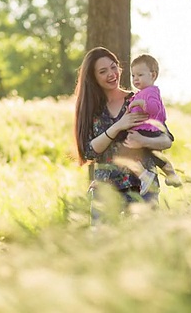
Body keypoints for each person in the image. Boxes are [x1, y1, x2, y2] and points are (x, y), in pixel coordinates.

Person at [73, 47, 173, 224]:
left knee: (143, 246)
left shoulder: (138, 100)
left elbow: (166, 139)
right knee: (103, 246)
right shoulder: (91, 109)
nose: (111, 74)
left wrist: (143, 140)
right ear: (93, 77)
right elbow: (88, 152)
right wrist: (118, 126)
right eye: (103, 71)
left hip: (142, 188)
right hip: (106, 190)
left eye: (114, 67)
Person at [119, 53, 182, 193]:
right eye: (133, 75)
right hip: (145, 129)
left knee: (130, 151)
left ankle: (145, 175)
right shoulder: (140, 93)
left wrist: (140, 103)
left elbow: (155, 108)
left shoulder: (151, 92)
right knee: (154, 156)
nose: (135, 79)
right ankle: (171, 174)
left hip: (148, 130)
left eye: (140, 75)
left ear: (153, 75)